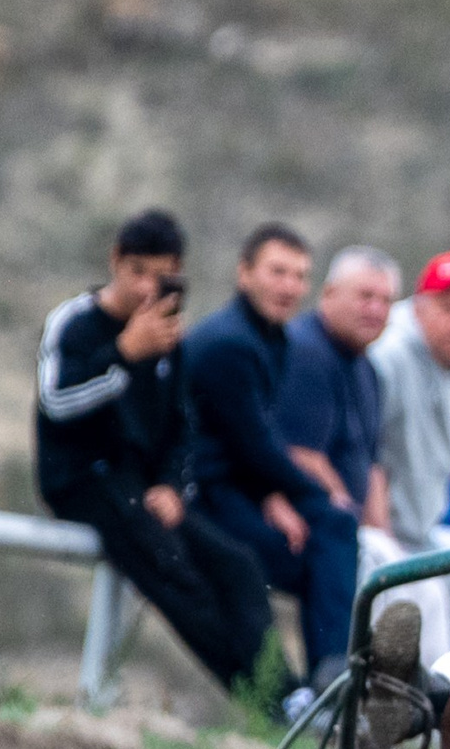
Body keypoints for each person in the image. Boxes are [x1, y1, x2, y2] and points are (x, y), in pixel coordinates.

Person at [33, 209, 282, 696]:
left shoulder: (169, 336)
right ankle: (260, 697)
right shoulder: (77, 322)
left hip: (142, 486)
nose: (149, 288)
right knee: (174, 572)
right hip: (83, 480)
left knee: (239, 567)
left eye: (162, 275)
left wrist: (173, 484)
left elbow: (182, 424)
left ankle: (287, 691)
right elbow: (56, 402)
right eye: (138, 272)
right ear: (116, 263)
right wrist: (124, 355)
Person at [184, 223, 359, 704]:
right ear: (245, 274)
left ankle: (322, 685)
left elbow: (254, 445)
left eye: (299, 276)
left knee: (331, 537)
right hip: (205, 496)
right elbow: (253, 446)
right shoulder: (230, 344)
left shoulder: (269, 338)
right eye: (277, 272)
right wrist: (312, 493)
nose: (289, 287)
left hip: (240, 487)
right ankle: (317, 688)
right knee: (331, 533)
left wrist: (277, 496)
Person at [366, 250, 450, 668]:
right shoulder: (388, 359)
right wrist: (387, 542)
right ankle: (420, 712)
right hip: (381, 533)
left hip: (424, 534)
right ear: (419, 307)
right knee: (428, 608)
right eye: (448, 307)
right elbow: (371, 459)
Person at [277, 244, 397, 545]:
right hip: (308, 523)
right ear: (329, 293)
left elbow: (372, 468)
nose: (376, 310)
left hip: (350, 526)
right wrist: (354, 529)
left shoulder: (368, 368)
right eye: (365, 296)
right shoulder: (303, 351)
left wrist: (384, 540)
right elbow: (302, 455)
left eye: (386, 301)